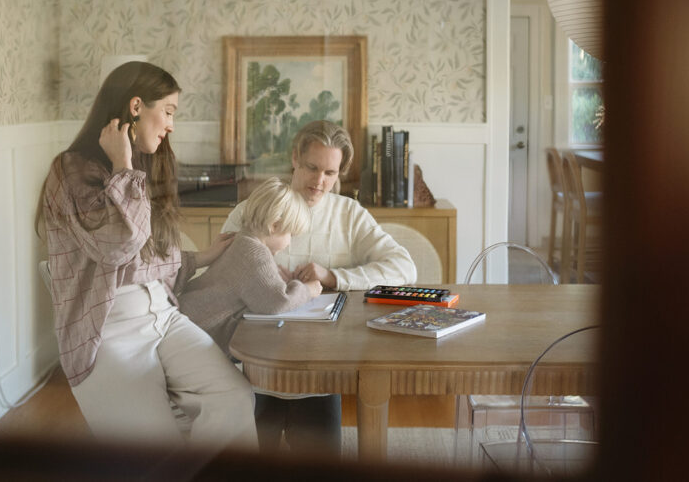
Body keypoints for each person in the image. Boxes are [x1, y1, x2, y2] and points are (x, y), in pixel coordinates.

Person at [39, 61, 257, 451]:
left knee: (234, 398)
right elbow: (117, 247)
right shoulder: (69, 171)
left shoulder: (148, 164)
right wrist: (123, 167)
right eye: (169, 111)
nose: (171, 124)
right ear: (136, 106)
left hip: (163, 315)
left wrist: (202, 256)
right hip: (108, 330)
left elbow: (149, 258)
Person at [221, 120, 417, 456]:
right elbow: (221, 275)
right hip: (253, 369)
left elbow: (404, 267)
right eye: (312, 168)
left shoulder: (349, 215)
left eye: (330, 173)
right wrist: (259, 270)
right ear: (295, 158)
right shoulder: (253, 209)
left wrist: (332, 277)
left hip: (320, 373)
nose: (319, 182)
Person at [179, 177, 322, 354]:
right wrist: (308, 290)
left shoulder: (243, 242)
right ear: (274, 226)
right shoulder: (255, 253)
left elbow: (257, 291)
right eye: (290, 234)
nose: (289, 242)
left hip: (188, 321)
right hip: (191, 335)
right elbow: (276, 302)